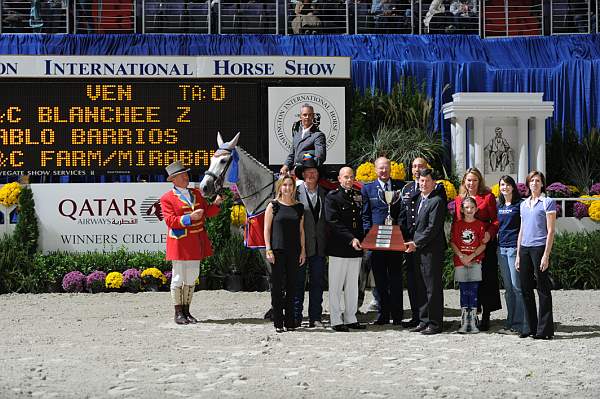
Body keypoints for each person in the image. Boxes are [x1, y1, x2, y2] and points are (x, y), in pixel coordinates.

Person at [160, 160, 223, 325]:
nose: (186, 177)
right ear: (173, 179)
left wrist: (216, 205)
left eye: (186, 174)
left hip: (196, 240)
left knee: (192, 276)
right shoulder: (167, 198)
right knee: (178, 276)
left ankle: (187, 311)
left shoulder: (196, 193)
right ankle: (178, 312)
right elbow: (170, 220)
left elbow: (206, 212)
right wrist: (189, 218)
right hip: (180, 242)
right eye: (182, 175)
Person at [399, 157, 447, 327]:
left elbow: (432, 228)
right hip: (419, 249)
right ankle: (423, 320)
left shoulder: (437, 201)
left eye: (427, 181)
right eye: (421, 181)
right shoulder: (419, 199)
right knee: (421, 286)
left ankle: (434, 323)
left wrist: (415, 243)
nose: (423, 184)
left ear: (434, 183)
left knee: (432, 287)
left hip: (431, 250)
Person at [454, 167, 501, 331]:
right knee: (468, 280)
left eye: (474, 180)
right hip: (466, 247)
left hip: (484, 245)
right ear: (464, 182)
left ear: (479, 181)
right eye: (468, 180)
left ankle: (486, 315)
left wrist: (489, 233)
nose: (471, 183)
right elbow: (457, 222)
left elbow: (495, 220)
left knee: (486, 279)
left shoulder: (488, 197)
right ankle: (470, 315)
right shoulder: (459, 199)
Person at [361, 157, 405, 325]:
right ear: (375, 169)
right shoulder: (368, 188)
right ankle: (383, 313)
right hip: (376, 241)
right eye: (380, 168)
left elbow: (402, 212)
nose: (384, 171)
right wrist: (368, 236)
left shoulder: (399, 187)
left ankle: (398, 314)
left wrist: (400, 231)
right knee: (379, 279)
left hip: (395, 240)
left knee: (396, 278)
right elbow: (365, 214)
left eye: (386, 168)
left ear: (390, 169)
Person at [325, 166, 367, 332]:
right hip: (339, 248)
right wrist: (351, 239)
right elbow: (333, 222)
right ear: (340, 179)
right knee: (336, 286)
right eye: (346, 177)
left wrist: (364, 239)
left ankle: (351, 317)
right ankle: (335, 319)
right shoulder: (332, 197)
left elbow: (361, 219)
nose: (349, 180)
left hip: (356, 248)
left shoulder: (357, 196)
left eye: (351, 177)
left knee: (352, 286)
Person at [516, 170, 556, 340]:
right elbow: (522, 230)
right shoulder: (523, 204)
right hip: (524, 248)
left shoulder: (548, 202)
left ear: (542, 183)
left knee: (543, 289)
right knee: (525, 289)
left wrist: (546, 255)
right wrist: (518, 254)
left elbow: (551, 230)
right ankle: (530, 327)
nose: (534, 183)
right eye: (532, 180)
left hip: (539, 248)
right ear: (528, 183)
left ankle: (544, 329)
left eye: (537, 180)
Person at [264, 176, 306, 333]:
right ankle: (278, 321)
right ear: (280, 187)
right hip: (277, 251)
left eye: (290, 185)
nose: (287, 188)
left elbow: (301, 231)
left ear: (294, 187)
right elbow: (266, 229)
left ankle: (290, 321)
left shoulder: (299, 207)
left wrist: (303, 250)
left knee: (292, 287)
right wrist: (268, 249)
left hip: (294, 251)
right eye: (285, 185)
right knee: (277, 287)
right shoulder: (273, 206)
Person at [293, 155, 327, 328]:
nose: (311, 174)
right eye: (307, 171)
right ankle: (296, 317)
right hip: (300, 248)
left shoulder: (325, 193)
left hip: (319, 248)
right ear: (303, 174)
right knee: (298, 283)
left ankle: (315, 317)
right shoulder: (295, 193)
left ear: (318, 174)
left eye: (313, 171)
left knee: (317, 284)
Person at [497, 175, 528, 336]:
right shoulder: (499, 205)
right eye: (502, 185)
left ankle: (521, 323)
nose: (505, 187)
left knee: (517, 288)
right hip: (501, 250)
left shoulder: (520, 205)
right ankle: (510, 321)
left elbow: (523, 228)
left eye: (508, 184)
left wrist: (519, 253)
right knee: (508, 289)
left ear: (513, 187)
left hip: (514, 250)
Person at [450, 196, 487, 334]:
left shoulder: (480, 225)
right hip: (460, 262)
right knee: (464, 289)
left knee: (474, 289)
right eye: (466, 208)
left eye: (472, 207)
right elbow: (453, 242)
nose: (469, 210)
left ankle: (473, 316)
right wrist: (461, 256)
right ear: (462, 209)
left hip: (475, 261)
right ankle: (465, 317)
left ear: (476, 209)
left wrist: (471, 256)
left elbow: (483, 245)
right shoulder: (458, 224)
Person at [280, 103, 326, 177]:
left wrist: (305, 157)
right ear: (300, 116)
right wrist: (285, 166)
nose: (307, 117)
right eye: (305, 115)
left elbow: (320, 158)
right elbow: (292, 155)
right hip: (293, 174)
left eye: (310, 115)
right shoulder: (296, 135)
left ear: (313, 116)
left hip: (308, 175)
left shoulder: (318, 135)